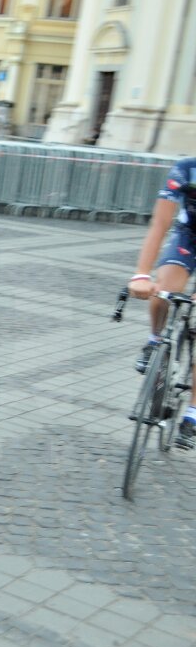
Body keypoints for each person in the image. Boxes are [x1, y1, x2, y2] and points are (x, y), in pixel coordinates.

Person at [128, 156, 196, 449]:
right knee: (163, 292)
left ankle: (192, 414)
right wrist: (141, 275)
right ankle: (155, 339)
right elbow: (160, 223)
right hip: (188, 236)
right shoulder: (186, 169)